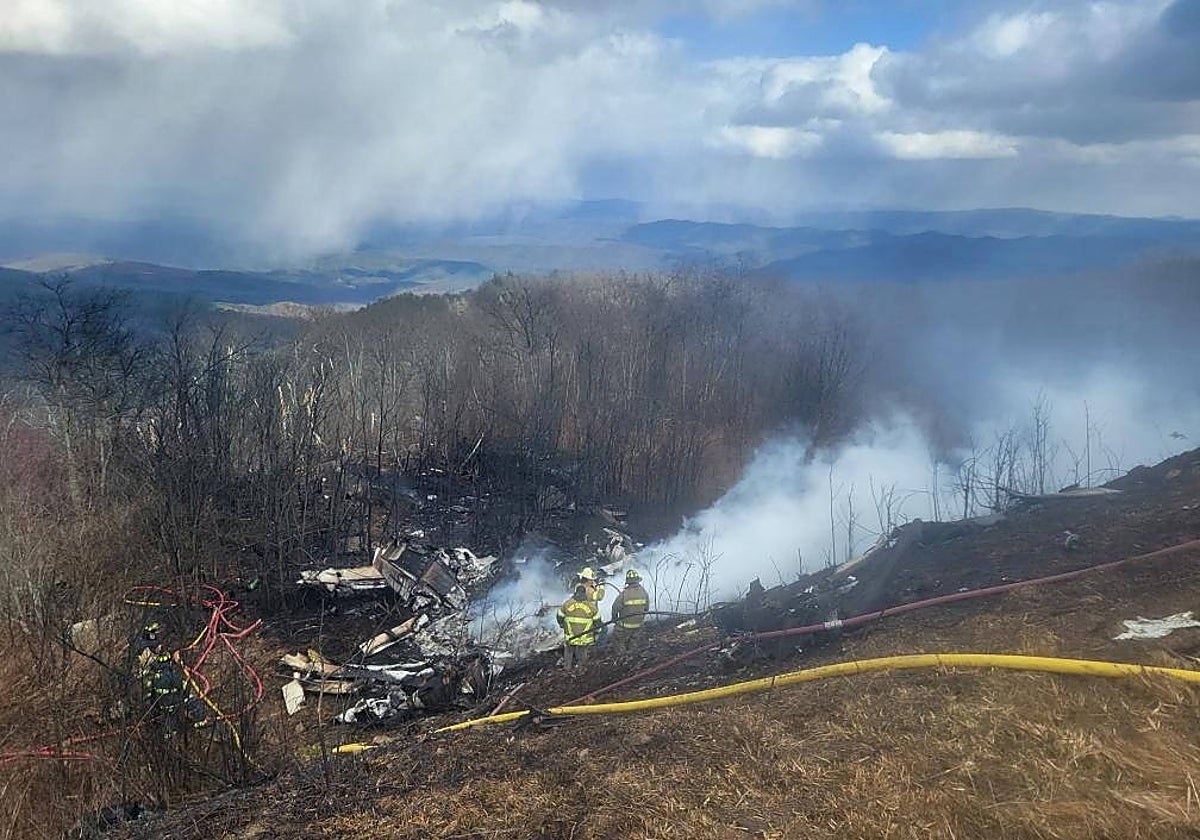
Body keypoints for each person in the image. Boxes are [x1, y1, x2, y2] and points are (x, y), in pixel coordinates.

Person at [556, 583, 600, 671]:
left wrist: (562, 625)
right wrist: (596, 633)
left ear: (575, 593)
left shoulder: (567, 604)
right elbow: (597, 622)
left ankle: (567, 668)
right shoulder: (591, 607)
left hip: (570, 636)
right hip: (585, 636)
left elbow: (559, 617)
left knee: (568, 651)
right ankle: (581, 669)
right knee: (582, 652)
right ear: (585, 594)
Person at [610, 569, 650, 652]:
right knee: (634, 642)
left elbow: (615, 608)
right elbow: (646, 608)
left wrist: (614, 619)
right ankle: (631, 655)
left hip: (624, 626)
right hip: (638, 625)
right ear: (637, 581)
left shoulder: (624, 594)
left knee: (618, 640)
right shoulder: (644, 593)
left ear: (628, 582)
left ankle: (622, 656)